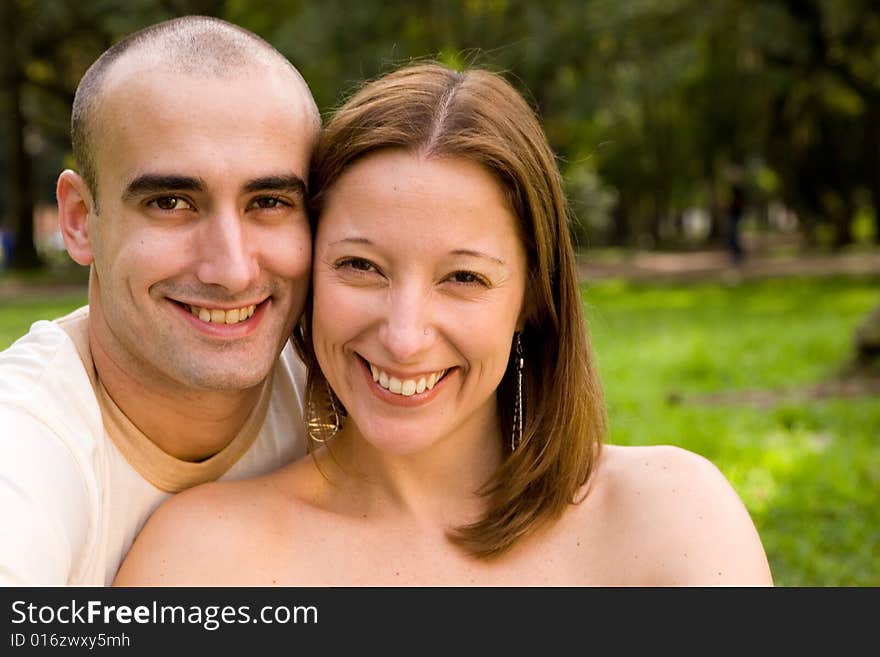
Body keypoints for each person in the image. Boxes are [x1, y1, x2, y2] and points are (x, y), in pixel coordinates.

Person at [115, 61, 773, 586]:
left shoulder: (674, 518)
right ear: (309, 274)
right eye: (361, 265)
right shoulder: (203, 557)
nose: (405, 336)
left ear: (533, 299)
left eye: (463, 278)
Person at [0, 15, 320, 585]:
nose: (231, 270)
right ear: (79, 220)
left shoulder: (352, 392)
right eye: (171, 202)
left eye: (269, 201)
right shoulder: (26, 443)